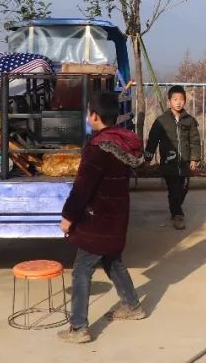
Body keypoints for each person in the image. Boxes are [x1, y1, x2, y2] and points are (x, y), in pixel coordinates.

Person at [58, 91, 147, 343]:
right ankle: (132, 305)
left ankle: (78, 328)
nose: (88, 117)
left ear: (95, 115)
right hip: (117, 216)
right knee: (112, 260)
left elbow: (82, 187)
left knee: (81, 269)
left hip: (97, 219)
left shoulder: (98, 147)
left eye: (89, 113)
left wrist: (68, 217)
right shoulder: (124, 142)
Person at [144, 85, 201, 230]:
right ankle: (177, 214)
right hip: (168, 162)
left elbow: (195, 140)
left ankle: (175, 205)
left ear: (185, 101)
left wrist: (194, 159)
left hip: (184, 162)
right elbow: (152, 141)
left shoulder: (189, 121)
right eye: (175, 99)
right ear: (169, 102)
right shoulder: (161, 121)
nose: (178, 102)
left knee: (184, 187)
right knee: (174, 188)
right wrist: (148, 158)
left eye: (181, 99)